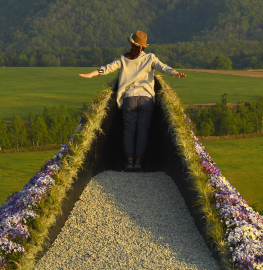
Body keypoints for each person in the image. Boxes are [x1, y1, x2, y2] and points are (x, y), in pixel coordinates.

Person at [79, 31, 186, 172]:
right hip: (146, 99)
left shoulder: (124, 59)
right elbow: (163, 67)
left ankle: (129, 161)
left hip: (129, 99)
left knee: (129, 131)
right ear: (144, 46)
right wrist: (176, 74)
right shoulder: (150, 58)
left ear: (131, 43)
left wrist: (91, 74)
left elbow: (108, 68)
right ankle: (138, 163)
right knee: (142, 132)